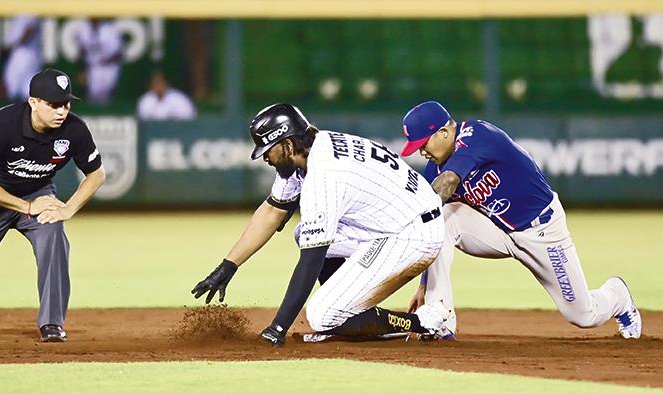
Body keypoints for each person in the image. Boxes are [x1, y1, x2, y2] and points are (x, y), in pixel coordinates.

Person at [191, 103, 450, 346]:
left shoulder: (324, 175)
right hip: (395, 221)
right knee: (303, 232)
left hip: (413, 235)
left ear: (288, 145)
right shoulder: (310, 149)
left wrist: (278, 328)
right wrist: (228, 266)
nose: (265, 158)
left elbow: (311, 259)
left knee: (321, 316)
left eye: (267, 149)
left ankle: (424, 321)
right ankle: (351, 313)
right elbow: (273, 211)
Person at [400, 101, 642, 340]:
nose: (421, 152)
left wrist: (415, 211)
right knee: (442, 219)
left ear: (443, 132)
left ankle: (618, 295)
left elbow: (450, 180)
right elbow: (434, 229)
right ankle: (440, 321)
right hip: (498, 231)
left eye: (423, 144)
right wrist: (426, 284)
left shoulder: (478, 136)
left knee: (583, 314)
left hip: (542, 231)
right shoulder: (435, 167)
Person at [0, 68, 106, 342]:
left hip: (38, 193)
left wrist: (67, 208)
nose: (61, 111)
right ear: (33, 102)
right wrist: (27, 207)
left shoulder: (74, 130)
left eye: (65, 104)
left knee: (53, 232)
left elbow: (97, 174)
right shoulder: (3, 124)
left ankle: (52, 323)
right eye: (53, 104)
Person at [76, 18, 123, 105]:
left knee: (108, 95)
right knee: (92, 95)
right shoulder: (85, 30)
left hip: (109, 67)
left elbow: (119, 53)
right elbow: (81, 51)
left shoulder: (109, 30)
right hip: (93, 67)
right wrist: (81, 69)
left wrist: (106, 59)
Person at [2, 15, 43, 101]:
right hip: (19, 52)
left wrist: (14, 45)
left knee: (23, 88)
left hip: (26, 52)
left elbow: (30, 29)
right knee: (13, 87)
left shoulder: (29, 8)